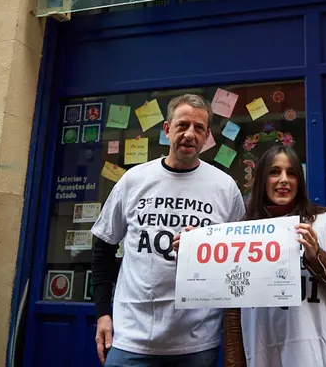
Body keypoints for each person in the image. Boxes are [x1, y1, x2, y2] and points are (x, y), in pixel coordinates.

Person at [90, 94, 246, 366]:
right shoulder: (134, 180)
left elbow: (238, 260)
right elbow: (103, 246)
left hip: (196, 343)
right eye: (182, 125)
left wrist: (202, 252)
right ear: (166, 129)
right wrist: (103, 313)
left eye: (199, 128)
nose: (190, 134)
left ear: (207, 136)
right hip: (131, 339)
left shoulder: (225, 187)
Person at [220, 144, 326, 366]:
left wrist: (317, 258)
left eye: (292, 173)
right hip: (261, 352)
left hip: (314, 353)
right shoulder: (243, 231)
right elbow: (233, 308)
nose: (284, 179)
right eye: (274, 172)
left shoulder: (323, 223)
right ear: (262, 180)